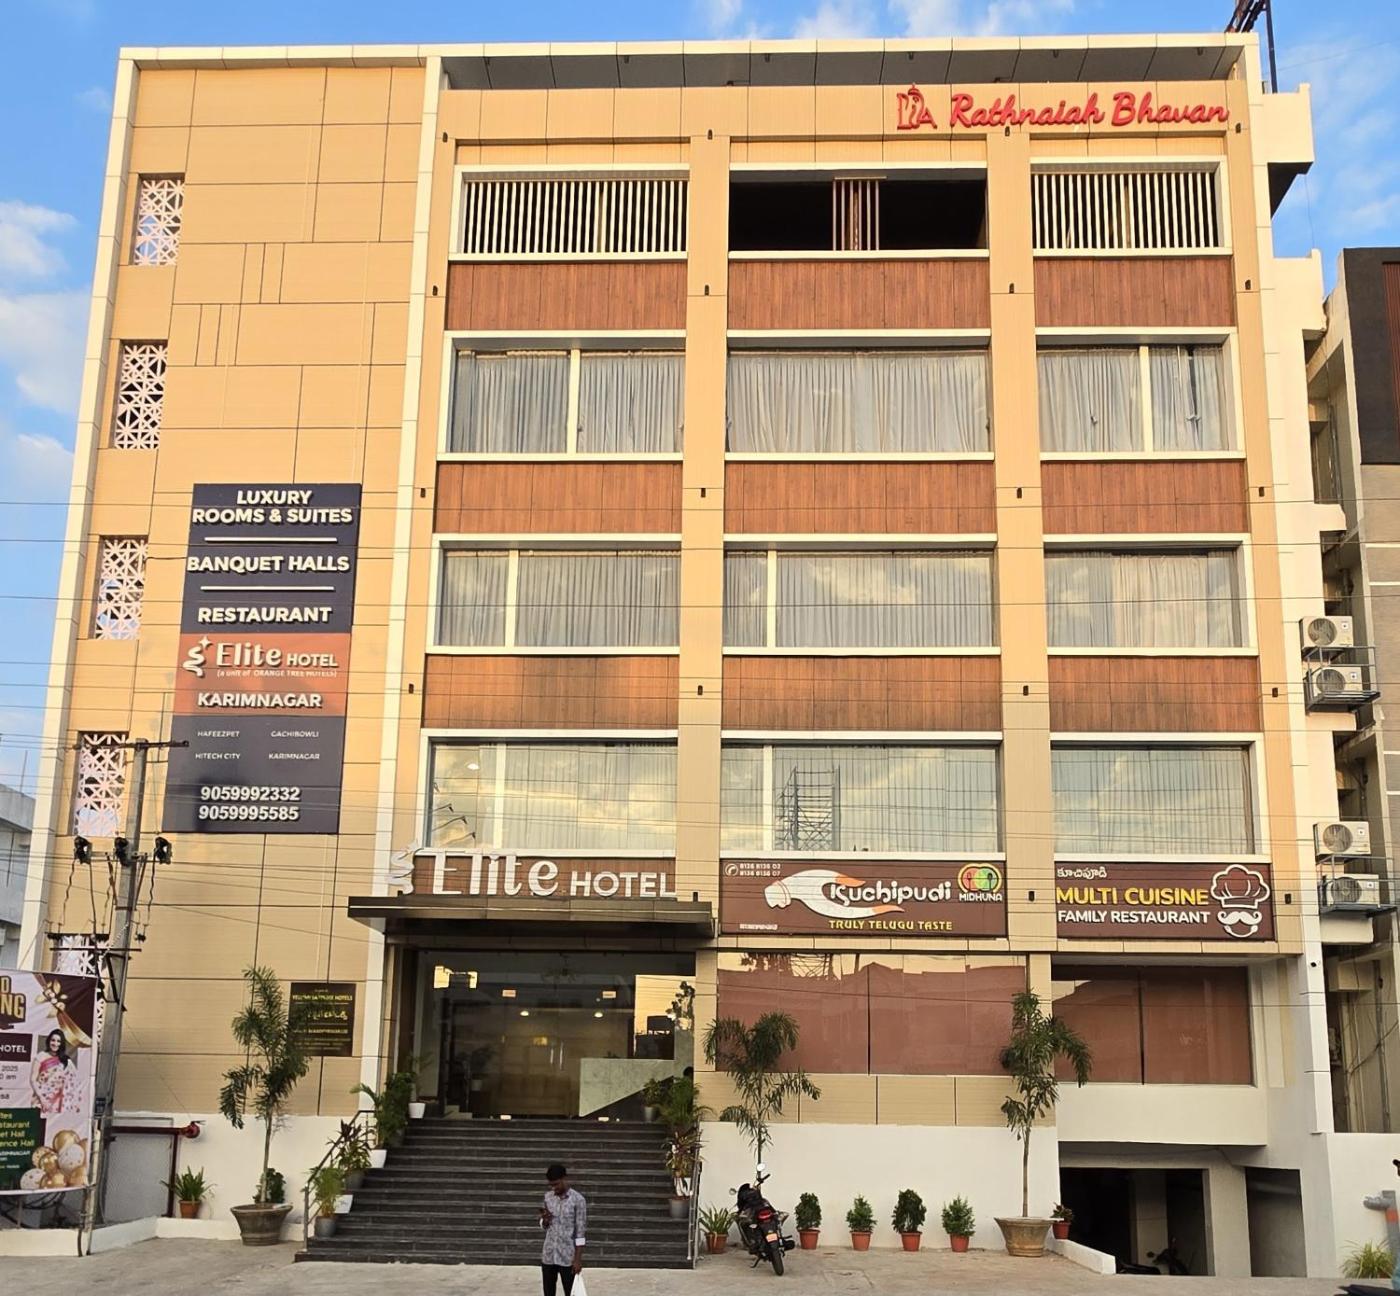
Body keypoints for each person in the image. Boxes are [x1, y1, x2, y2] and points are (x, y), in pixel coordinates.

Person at [539, 1162, 587, 1296]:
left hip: (568, 1257)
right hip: (549, 1254)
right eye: (551, 1185)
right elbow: (544, 1225)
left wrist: (577, 1259)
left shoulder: (578, 1200)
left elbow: (580, 1232)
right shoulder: (548, 1197)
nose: (554, 1188)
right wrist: (545, 1220)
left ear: (565, 1179)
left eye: (556, 1184)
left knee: (570, 1292)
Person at [30, 1030, 74, 1114]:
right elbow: (33, 1080)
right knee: (39, 1121)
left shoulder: (65, 1060)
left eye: (58, 1041)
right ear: (49, 1041)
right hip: (40, 1100)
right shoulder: (41, 1056)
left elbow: (71, 1080)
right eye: (53, 1040)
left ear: (62, 1043)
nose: (55, 1043)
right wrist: (41, 1098)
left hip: (58, 1101)